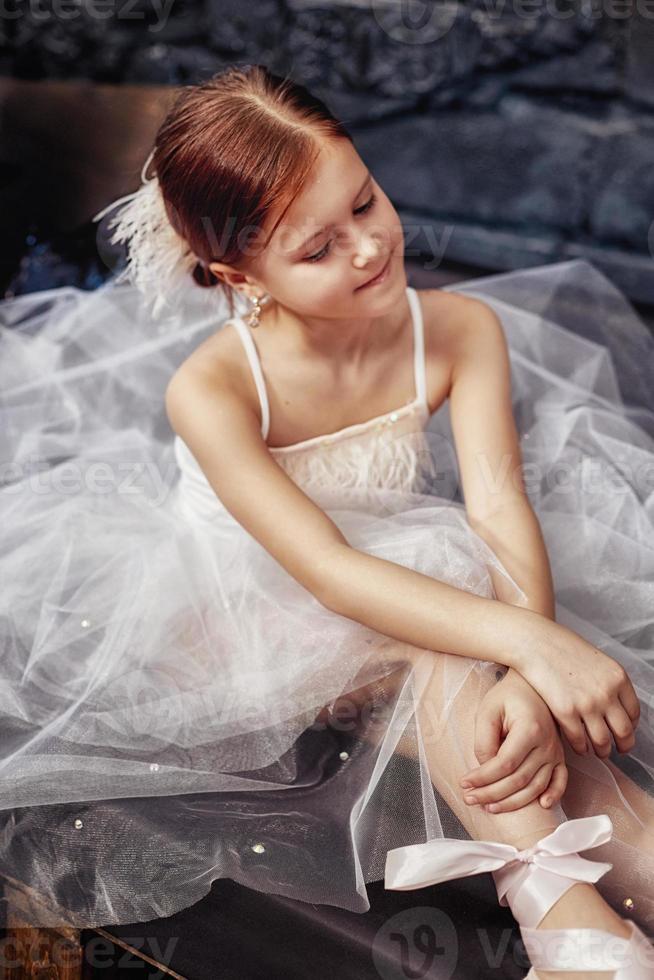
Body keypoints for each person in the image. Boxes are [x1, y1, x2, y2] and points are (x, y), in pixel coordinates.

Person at [1, 63, 654, 978]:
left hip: (391, 575)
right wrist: (538, 649)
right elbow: (329, 571)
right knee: (435, 615)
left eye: (366, 202)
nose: (364, 248)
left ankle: (579, 924)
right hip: (230, 614)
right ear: (240, 274)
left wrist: (523, 665)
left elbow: (498, 501)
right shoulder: (215, 387)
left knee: (460, 610)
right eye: (314, 250)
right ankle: (562, 910)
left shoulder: (461, 329)